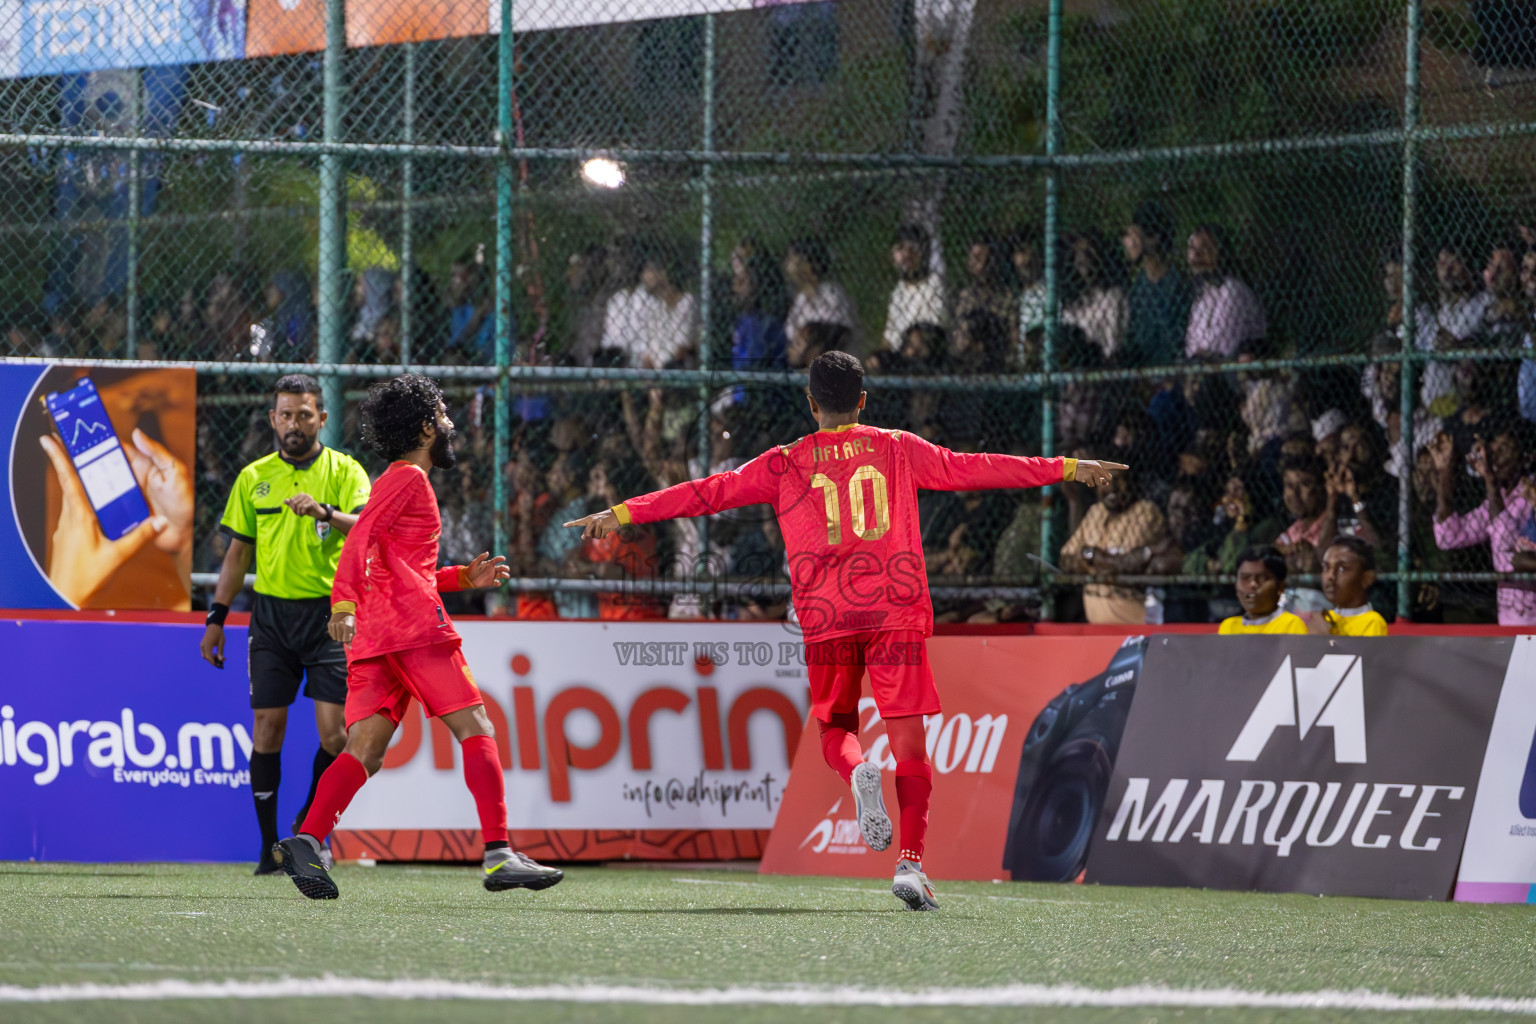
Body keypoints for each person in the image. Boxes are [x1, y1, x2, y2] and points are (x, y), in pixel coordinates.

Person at [565, 351, 1125, 911]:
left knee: (835, 728)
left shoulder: (784, 462)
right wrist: (1066, 467)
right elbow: (972, 466)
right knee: (910, 745)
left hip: (827, 614)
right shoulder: (898, 447)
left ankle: (860, 772)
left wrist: (624, 512)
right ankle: (910, 863)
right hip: (895, 611)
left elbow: (706, 492)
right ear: (863, 400)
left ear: (811, 404)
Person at [273, 374, 563, 900]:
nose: (451, 424)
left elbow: (399, 562)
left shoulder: (398, 480)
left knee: (365, 748)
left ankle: (309, 839)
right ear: (428, 426)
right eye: (445, 415)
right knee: (477, 727)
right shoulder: (409, 479)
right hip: (411, 629)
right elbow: (360, 535)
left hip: (378, 636)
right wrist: (340, 600)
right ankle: (499, 853)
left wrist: (460, 579)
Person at [201, 375, 372, 875]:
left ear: (322, 418)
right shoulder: (254, 477)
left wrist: (324, 511)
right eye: (285, 414)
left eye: (304, 414)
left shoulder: (345, 472)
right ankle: (267, 847)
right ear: (273, 419)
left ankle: (305, 828)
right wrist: (216, 617)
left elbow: (365, 529)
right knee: (267, 729)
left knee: (336, 737)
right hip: (272, 618)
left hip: (331, 615)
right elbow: (237, 554)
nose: (294, 423)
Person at [1058, 466, 1178, 624]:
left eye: (1118, 480)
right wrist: (1093, 558)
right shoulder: (1096, 512)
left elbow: (1129, 564)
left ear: (1130, 482)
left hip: (1135, 625)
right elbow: (1066, 560)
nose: (1111, 487)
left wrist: (1092, 559)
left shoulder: (1145, 512)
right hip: (1096, 627)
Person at [881, 223, 947, 352]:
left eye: (913, 248)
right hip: (899, 353)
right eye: (900, 248)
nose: (906, 255)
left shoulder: (934, 284)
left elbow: (933, 328)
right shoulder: (899, 290)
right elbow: (889, 336)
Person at [1306, 536, 1390, 636]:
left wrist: (1324, 638)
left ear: (1367, 578)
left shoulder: (1372, 622)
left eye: (1341, 569)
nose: (1330, 576)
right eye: (1326, 567)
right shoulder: (1324, 618)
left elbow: (1361, 652)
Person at [1218, 546, 1308, 634]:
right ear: (1236, 585)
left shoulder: (1291, 625)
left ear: (1281, 587)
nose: (1252, 584)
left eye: (1262, 579)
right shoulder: (1229, 627)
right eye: (1245, 578)